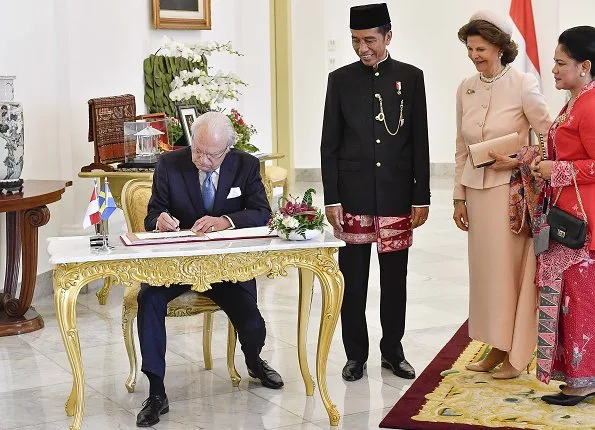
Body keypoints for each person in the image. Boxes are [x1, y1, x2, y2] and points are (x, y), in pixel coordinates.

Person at [135, 112, 283, 427]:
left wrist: (225, 221)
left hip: (225, 267)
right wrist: (159, 220)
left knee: (252, 321)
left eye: (211, 154)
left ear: (227, 149)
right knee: (148, 301)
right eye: (197, 151)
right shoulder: (169, 164)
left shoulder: (246, 165)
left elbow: (261, 212)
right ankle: (157, 392)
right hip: (176, 265)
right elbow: (152, 215)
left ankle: (255, 362)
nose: (202, 159)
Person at [320, 3, 430, 382]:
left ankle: (393, 351)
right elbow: (329, 144)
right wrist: (331, 197)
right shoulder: (340, 79)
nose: (362, 48)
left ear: (388, 36)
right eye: (355, 41)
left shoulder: (411, 78)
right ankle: (355, 355)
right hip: (352, 196)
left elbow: (420, 142)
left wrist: (422, 195)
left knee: (394, 279)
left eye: (369, 40)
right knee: (353, 281)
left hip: (397, 194)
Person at [452, 10, 551, 379]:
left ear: (499, 47)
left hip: (511, 195)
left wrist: (517, 159)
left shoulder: (524, 83)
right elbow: (461, 146)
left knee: (508, 275)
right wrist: (458, 197)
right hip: (476, 195)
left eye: (480, 48)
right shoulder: (466, 87)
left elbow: (550, 139)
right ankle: (495, 345)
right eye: (470, 48)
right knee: (485, 276)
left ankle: (516, 353)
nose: (473, 55)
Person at [530, 26, 595, 406]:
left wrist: (557, 170)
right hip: (566, 214)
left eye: (560, 63)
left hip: (582, 223)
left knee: (581, 300)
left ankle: (584, 380)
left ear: (584, 66)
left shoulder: (589, 105)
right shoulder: (574, 100)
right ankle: (576, 375)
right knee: (572, 297)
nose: (552, 69)